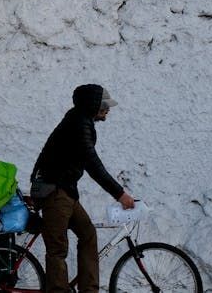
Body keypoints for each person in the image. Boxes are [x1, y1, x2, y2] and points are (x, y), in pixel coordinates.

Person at [30, 84, 135, 293]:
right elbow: (92, 164)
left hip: (65, 191)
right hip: (55, 192)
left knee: (88, 234)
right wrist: (120, 194)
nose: (107, 109)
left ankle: (89, 290)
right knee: (57, 249)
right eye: (104, 105)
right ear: (92, 105)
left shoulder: (79, 120)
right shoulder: (78, 123)